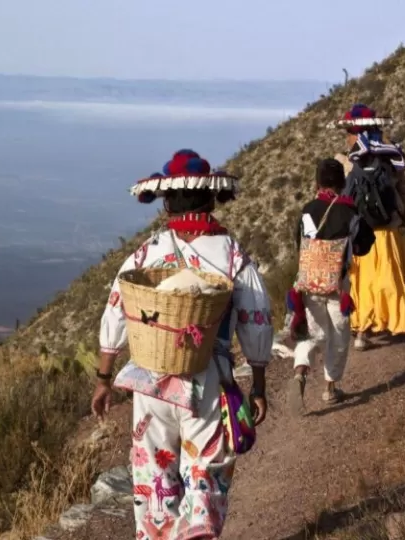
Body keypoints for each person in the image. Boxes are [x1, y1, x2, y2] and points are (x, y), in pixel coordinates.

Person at [91, 149, 273, 540]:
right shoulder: (232, 254)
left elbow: (117, 309)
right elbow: (255, 319)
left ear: (168, 202)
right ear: (209, 199)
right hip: (205, 378)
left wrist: (104, 378)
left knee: (154, 473)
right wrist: (258, 381)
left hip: (149, 380)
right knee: (204, 471)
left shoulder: (147, 252)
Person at [286, 158, 375, 415]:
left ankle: (300, 372)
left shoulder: (307, 209)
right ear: (343, 183)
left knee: (311, 334)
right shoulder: (350, 211)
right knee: (338, 336)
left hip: (308, 283)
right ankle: (330, 387)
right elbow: (364, 245)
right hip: (338, 286)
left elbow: (298, 242)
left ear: (318, 183)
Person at [333, 104, 405, 350]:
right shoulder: (393, 157)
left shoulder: (348, 163)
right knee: (389, 279)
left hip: (361, 233)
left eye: (349, 131)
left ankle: (362, 330)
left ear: (354, 133)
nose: (347, 137)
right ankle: (397, 321)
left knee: (362, 281)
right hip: (388, 231)